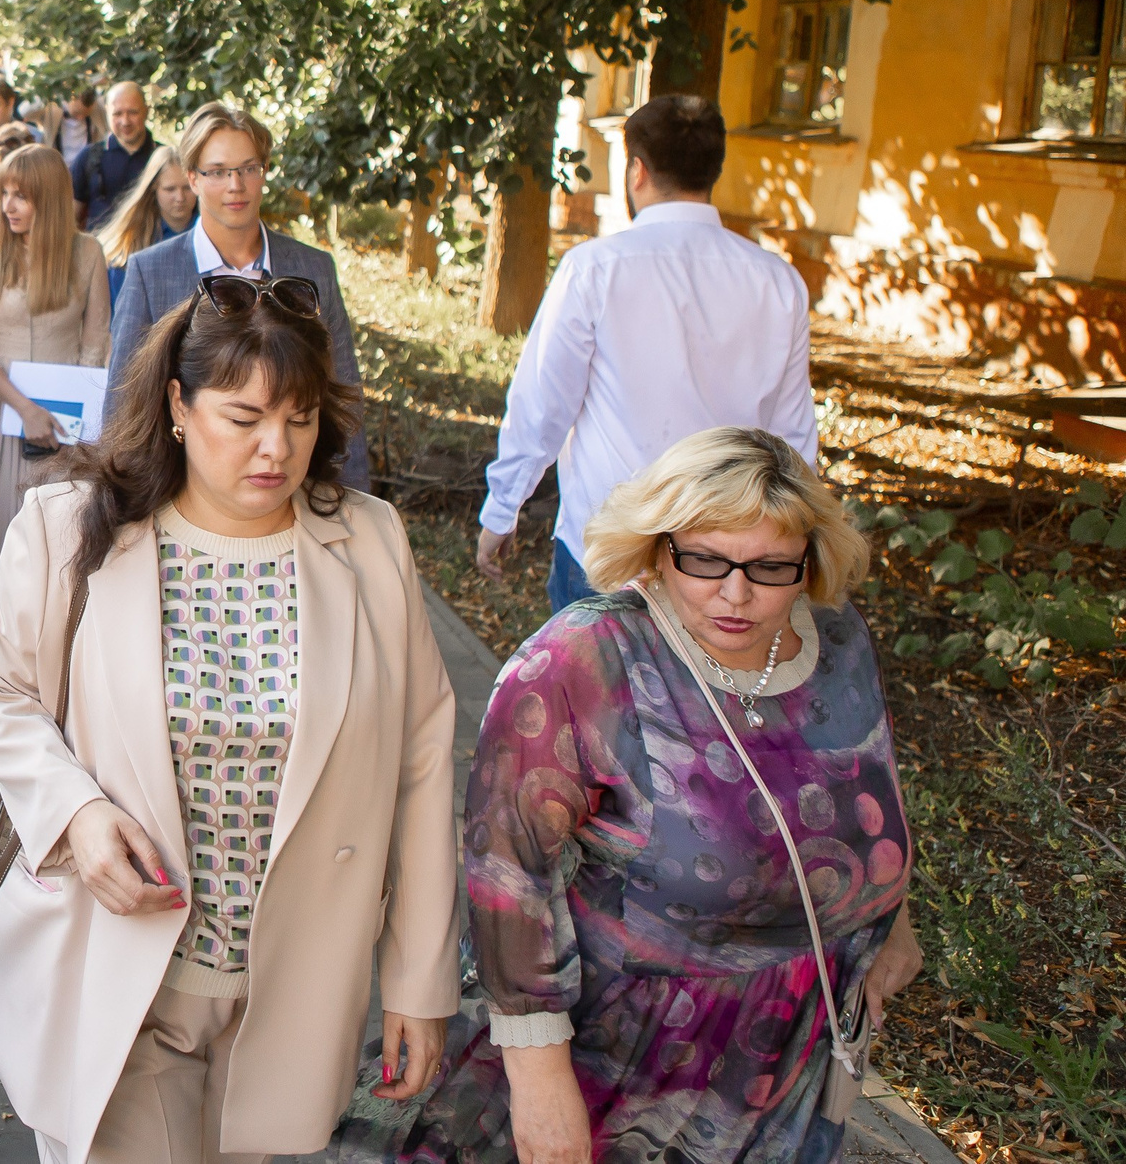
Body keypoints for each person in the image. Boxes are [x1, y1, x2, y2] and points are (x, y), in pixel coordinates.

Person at [0, 273, 460, 1163]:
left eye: (300, 419)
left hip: (296, 984)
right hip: (117, 969)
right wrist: (76, 811)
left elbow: (421, 761)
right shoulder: (73, 525)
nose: (276, 447)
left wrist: (420, 979)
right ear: (179, 407)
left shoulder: (372, 539)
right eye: (245, 416)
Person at [377, 426, 922, 1164]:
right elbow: (509, 873)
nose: (737, 593)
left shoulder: (840, 638)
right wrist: (538, 1081)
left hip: (787, 1059)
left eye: (771, 567)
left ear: (811, 559)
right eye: (705, 560)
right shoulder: (583, 659)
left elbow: (864, 785)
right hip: (621, 1062)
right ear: (657, 546)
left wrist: (889, 920)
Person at [477, 95, 816, 613]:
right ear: (713, 170)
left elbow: (543, 405)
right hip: (727, 564)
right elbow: (793, 435)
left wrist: (502, 510)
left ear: (637, 170)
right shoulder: (779, 282)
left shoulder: (593, 269)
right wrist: (792, 550)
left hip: (611, 551)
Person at [109, 101, 371, 489]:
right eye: (218, 172)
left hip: (290, 489)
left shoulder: (313, 268)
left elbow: (344, 399)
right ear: (193, 178)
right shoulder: (151, 272)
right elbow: (122, 409)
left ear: (264, 171)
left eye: (249, 168)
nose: (236, 185)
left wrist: (352, 503)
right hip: (179, 492)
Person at [0, 146, 111, 600]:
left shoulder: (88, 252)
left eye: (22, 196)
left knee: (62, 552)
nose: (8, 206)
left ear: (50, 198)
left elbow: (96, 344)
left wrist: (70, 418)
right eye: (5, 194)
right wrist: (26, 409)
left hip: (66, 420)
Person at [95, 149, 199, 304]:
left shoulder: (213, 233)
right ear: (153, 188)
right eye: (170, 189)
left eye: (187, 188)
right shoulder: (130, 243)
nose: (180, 197)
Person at [71, 81, 157, 229]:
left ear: (147, 111)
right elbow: (70, 219)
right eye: (117, 114)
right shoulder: (88, 157)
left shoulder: (162, 158)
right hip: (99, 243)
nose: (125, 121)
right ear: (107, 113)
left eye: (133, 112)